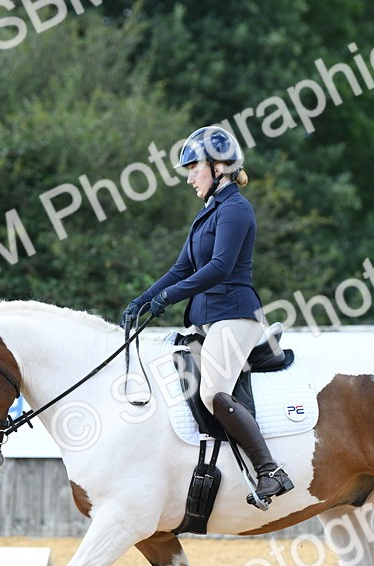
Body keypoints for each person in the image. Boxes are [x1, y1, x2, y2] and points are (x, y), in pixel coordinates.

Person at [122, 126, 293, 507]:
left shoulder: (235, 208)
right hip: (208, 317)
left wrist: (169, 297)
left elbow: (219, 268)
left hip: (234, 314)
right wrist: (143, 299)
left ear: (219, 167)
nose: (188, 176)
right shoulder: (208, 213)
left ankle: (269, 471)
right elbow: (181, 268)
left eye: (193, 167)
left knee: (213, 390)